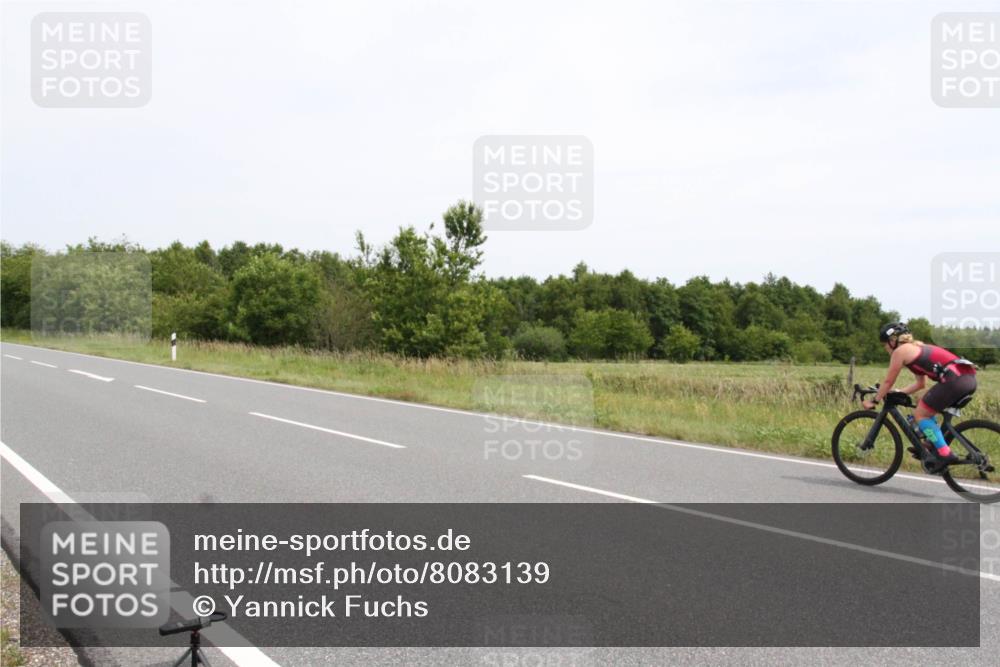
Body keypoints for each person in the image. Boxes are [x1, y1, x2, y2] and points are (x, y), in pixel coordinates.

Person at [863, 322, 978, 473]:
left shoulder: (901, 351)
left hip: (954, 380)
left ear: (893, 340)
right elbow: (920, 384)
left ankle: (945, 453)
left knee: (920, 414)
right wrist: (898, 391)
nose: (885, 348)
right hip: (967, 379)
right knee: (923, 404)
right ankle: (932, 443)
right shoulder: (916, 348)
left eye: (885, 344)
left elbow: (888, 381)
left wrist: (875, 400)